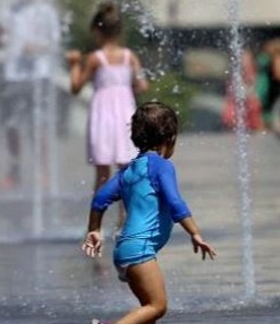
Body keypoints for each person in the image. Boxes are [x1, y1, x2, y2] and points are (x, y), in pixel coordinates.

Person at [82, 102, 216, 324]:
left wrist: (94, 229)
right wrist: (195, 233)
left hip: (124, 250)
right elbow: (175, 203)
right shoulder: (162, 167)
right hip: (139, 251)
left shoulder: (128, 171)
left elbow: (99, 200)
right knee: (157, 306)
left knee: (147, 313)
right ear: (170, 139)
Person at [67, 1, 148, 226]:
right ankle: (126, 222)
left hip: (102, 117)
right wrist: (125, 90)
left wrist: (74, 64)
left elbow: (76, 87)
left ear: (98, 31)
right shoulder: (129, 57)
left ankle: (96, 226)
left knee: (102, 174)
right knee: (126, 170)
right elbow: (142, 85)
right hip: (125, 115)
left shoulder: (95, 59)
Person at [0, 0, 60, 189]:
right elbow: (0, 44)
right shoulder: (9, 12)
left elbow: (55, 44)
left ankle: (43, 173)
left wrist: (37, 48)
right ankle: (15, 170)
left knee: (38, 127)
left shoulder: (47, 12)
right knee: (12, 125)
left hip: (38, 74)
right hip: (14, 76)